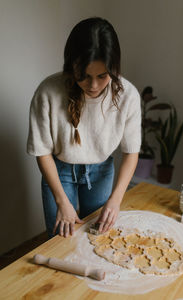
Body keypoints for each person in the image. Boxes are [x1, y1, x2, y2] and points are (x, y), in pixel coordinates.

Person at [27, 17, 141, 238]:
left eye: (102, 76)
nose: (94, 86)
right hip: (59, 172)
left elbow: (131, 152)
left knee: (99, 237)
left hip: (102, 172)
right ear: (71, 65)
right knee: (59, 240)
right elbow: (42, 151)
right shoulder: (48, 92)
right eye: (85, 76)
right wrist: (62, 200)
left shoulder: (128, 95)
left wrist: (116, 200)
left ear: (113, 67)